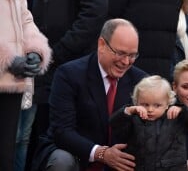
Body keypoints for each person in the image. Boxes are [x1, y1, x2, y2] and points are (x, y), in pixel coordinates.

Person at [26, 0, 108, 169]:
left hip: (62, 69)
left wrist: (58, 52)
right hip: (46, 67)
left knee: (50, 145)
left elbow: (95, 10)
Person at [31, 18, 148, 171]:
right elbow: (62, 131)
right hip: (77, 155)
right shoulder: (69, 74)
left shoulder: (141, 81)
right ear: (101, 45)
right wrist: (101, 153)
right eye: (120, 53)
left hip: (121, 160)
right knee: (61, 160)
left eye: (132, 55)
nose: (126, 62)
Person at [0, 0, 51, 171]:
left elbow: (25, 19)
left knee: (7, 158)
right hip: (7, 72)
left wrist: (35, 50)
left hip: (12, 82)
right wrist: (7, 58)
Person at [110, 75, 188, 170]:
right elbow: (114, 126)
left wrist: (183, 110)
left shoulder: (175, 116)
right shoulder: (133, 118)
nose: (150, 109)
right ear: (136, 102)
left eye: (157, 105)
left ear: (168, 103)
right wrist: (128, 111)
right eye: (145, 104)